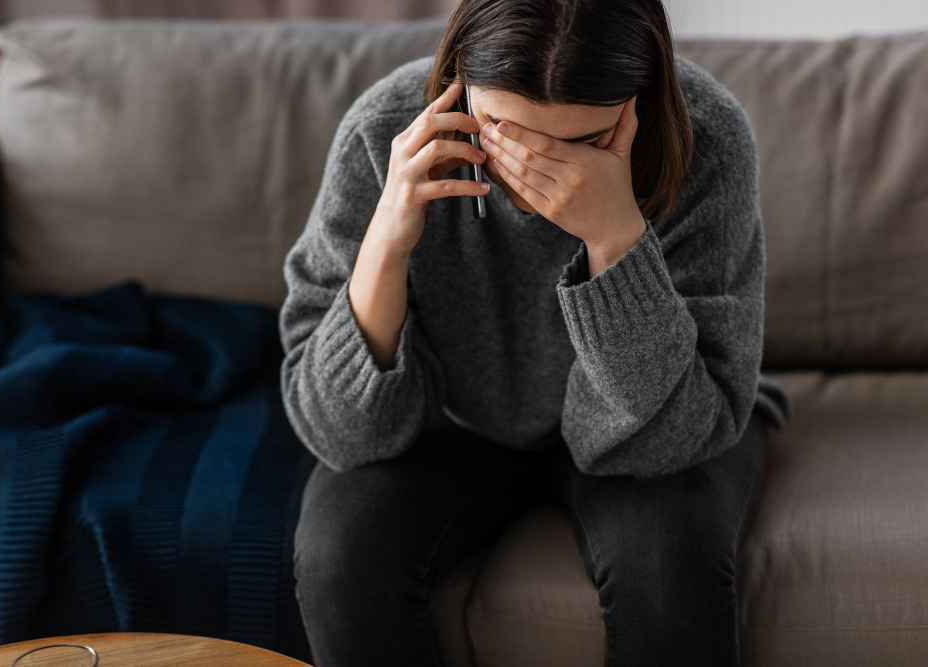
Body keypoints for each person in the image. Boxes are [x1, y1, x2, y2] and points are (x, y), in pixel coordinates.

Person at [278, 0, 793, 664]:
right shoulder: (383, 132)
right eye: (502, 130)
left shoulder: (707, 138)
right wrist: (386, 243)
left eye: (584, 142)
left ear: (642, 99)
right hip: (450, 421)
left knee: (668, 565)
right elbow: (339, 432)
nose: (534, 174)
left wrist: (614, 234)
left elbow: (681, 431)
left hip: (655, 415)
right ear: (459, 76)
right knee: (340, 557)